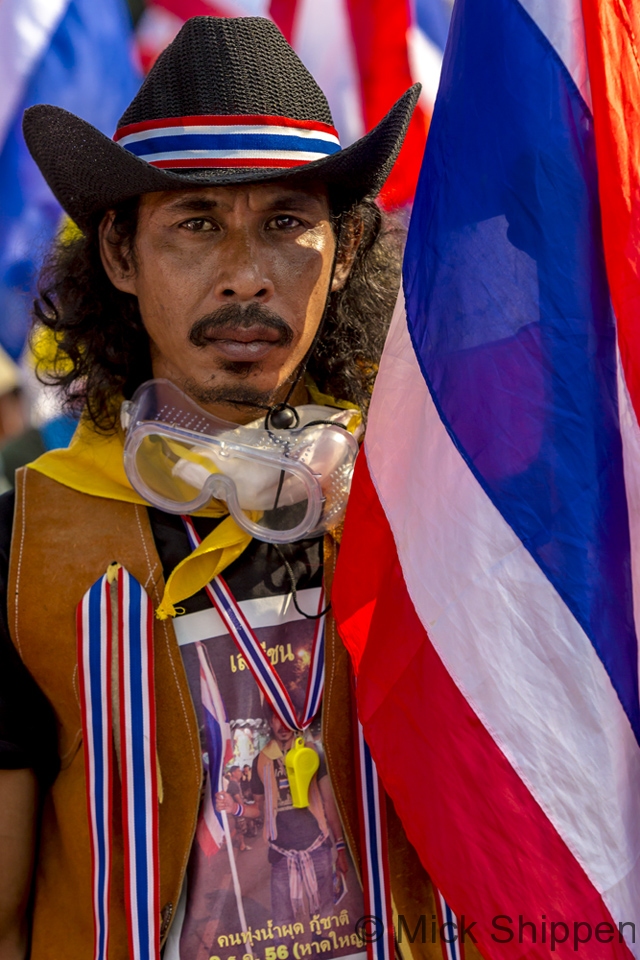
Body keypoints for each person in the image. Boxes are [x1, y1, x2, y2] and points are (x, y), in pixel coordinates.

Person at [0, 15, 481, 960]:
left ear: (343, 254)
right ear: (119, 256)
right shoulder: (22, 547)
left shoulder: (439, 512)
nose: (245, 277)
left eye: (287, 222)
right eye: (195, 223)